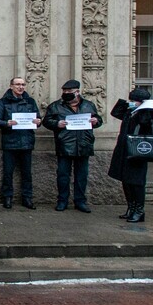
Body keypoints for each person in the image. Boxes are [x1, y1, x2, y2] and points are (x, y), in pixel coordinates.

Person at [42, 79, 104, 212]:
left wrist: (95, 121)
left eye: (69, 92)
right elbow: (47, 121)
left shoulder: (88, 105)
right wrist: (57, 124)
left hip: (84, 145)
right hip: (65, 144)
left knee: (82, 176)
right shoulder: (55, 106)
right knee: (63, 175)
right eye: (64, 91)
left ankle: (80, 201)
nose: (66, 94)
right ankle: (62, 201)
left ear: (77, 92)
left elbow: (99, 120)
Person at [109, 88, 153, 223]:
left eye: (134, 100)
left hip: (138, 152)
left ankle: (139, 211)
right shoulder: (130, 112)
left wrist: (145, 109)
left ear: (142, 102)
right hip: (125, 150)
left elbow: (147, 124)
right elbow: (115, 113)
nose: (132, 102)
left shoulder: (150, 114)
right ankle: (131, 207)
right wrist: (126, 104)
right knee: (126, 181)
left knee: (137, 183)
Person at [0, 77, 42, 209]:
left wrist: (38, 122)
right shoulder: (3, 102)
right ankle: (7, 197)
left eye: (23, 84)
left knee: (27, 173)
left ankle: (27, 198)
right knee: (8, 172)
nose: (21, 87)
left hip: (26, 140)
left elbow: (38, 118)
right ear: (11, 86)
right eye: (18, 84)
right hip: (10, 141)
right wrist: (6, 123)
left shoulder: (30, 101)